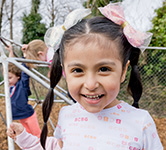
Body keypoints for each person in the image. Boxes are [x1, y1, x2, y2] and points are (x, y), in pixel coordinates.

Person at [7, 3, 163, 150]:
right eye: (77, 70)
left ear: (123, 71)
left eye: (103, 69)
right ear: (65, 72)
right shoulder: (67, 115)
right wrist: (25, 138)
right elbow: (60, 146)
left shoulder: (141, 123)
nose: (90, 84)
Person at [5, 47, 41, 138]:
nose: (7, 80)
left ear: (17, 76)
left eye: (9, 78)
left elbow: (25, 73)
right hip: (21, 118)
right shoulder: (10, 87)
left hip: (29, 115)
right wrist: (10, 52)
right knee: (28, 136)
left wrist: (25, 55)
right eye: (6, 77)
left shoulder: (22, 86)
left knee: (37, 135)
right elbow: (9, 65)